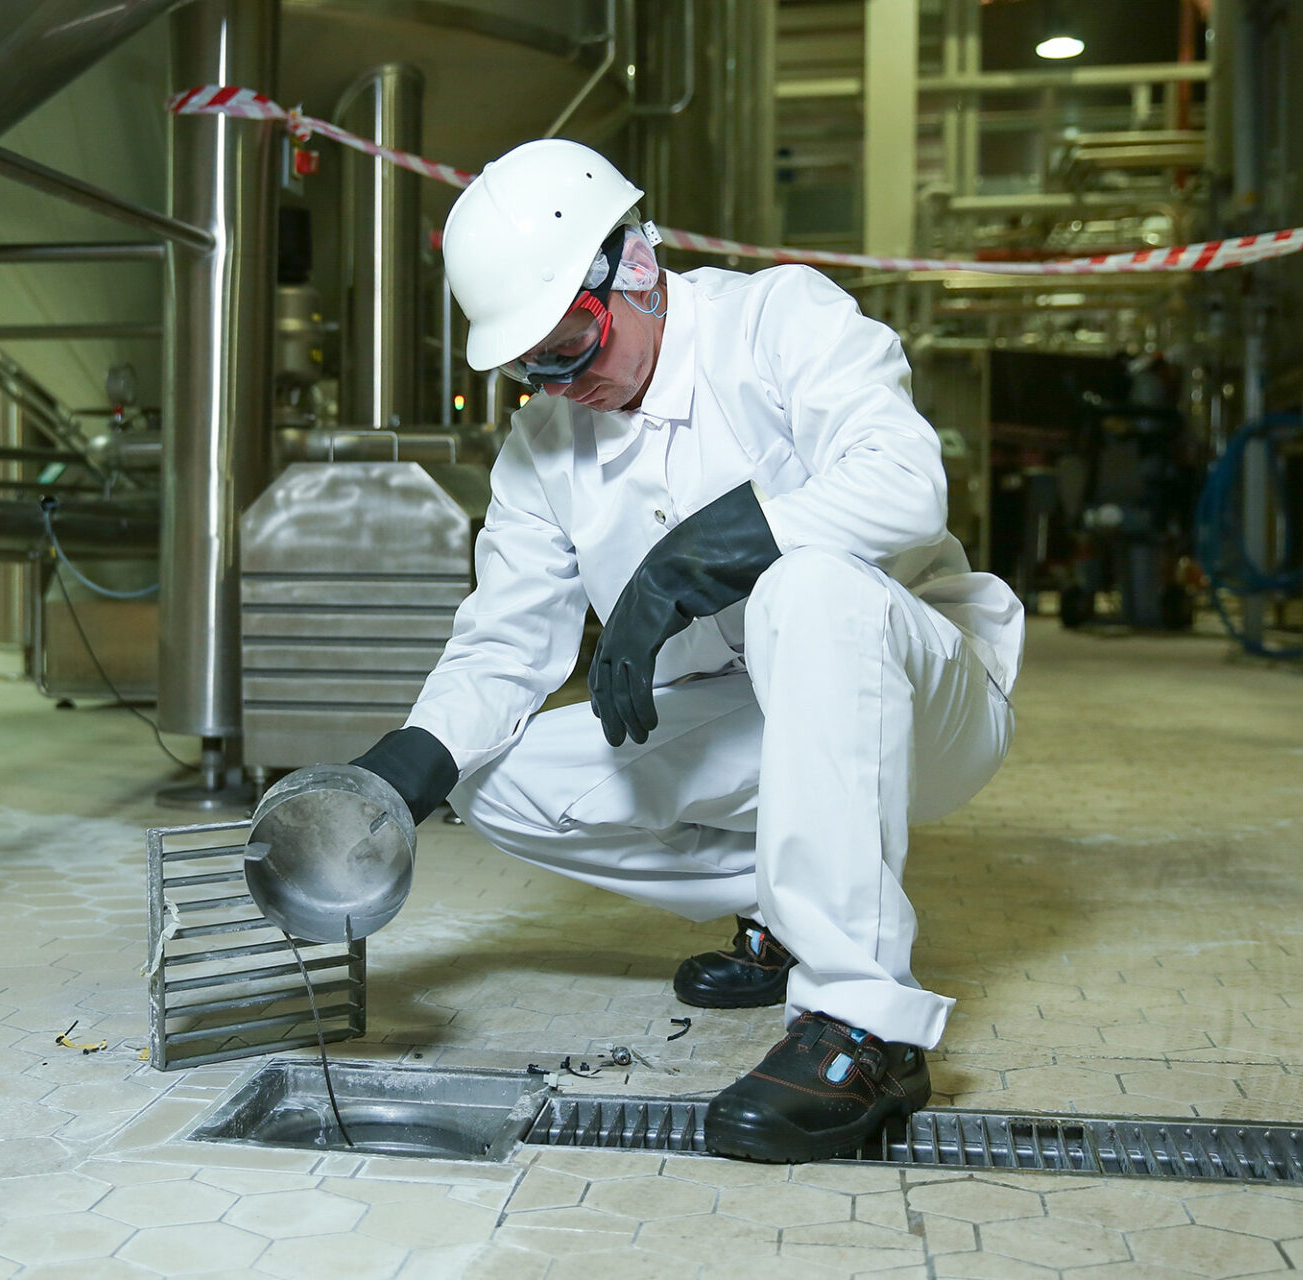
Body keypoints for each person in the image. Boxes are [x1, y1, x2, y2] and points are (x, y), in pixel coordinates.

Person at [346, 139, 1024, 1163]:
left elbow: (905, 483)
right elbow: (505, 640)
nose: (558, 377)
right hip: (754, 723)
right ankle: (787, 904)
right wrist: (395, 774)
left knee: (811, 583)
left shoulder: (778, 322)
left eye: (571, 336)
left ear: (636, 266)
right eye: (530, 359)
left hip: (923, 698)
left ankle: (864, 1028)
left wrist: (704, 551)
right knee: (493, 780)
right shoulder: (545, 446)